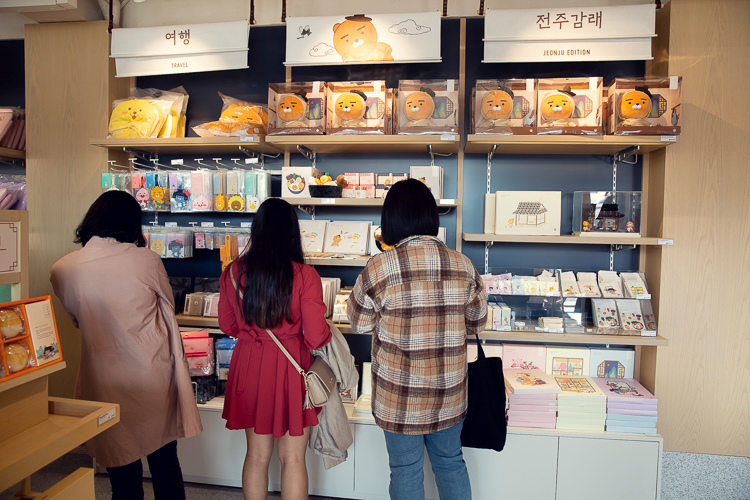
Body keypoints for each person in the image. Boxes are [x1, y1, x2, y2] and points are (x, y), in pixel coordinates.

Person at [50, 190, 202, 500]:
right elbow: (167, 306)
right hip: (151, 370)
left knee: (120, 466)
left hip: (102, 375)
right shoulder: (146, 260)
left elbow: (76, 318)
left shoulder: (63, 268)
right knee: (164, 461)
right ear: (133, 223)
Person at [347, 179, 487, 500]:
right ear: (430, 217)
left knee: (405, 470)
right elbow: (477, 322)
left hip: (399, 397)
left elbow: (359, 322)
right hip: (449, 393)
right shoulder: (463, 265)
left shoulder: (379, 267)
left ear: (391, 220)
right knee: (451, 463)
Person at [218, 198, 331, 500]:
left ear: (256, 230)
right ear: (291, 233)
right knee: (293, 458)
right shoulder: (305, 275)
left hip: (248, 364)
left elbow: (228, 326)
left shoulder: (233, 272)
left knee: (256, 455)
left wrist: (253, 332)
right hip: (290, 366)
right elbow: (316, 337)